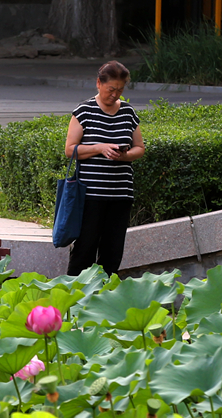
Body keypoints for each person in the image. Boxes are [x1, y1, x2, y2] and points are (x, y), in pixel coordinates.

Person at [64, 60, 145, 277]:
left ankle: (105, 294)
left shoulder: (128, 112)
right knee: (85, 247)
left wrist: (123, 156)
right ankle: (76, 294)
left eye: (120, 90)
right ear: (99, 83)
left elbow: (140, 148)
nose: (115, 95)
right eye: (111, 89)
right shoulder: (84, 111)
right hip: (91, 195)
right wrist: (99, 148)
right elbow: (70, 149)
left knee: (113, 250)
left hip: (121, 194)